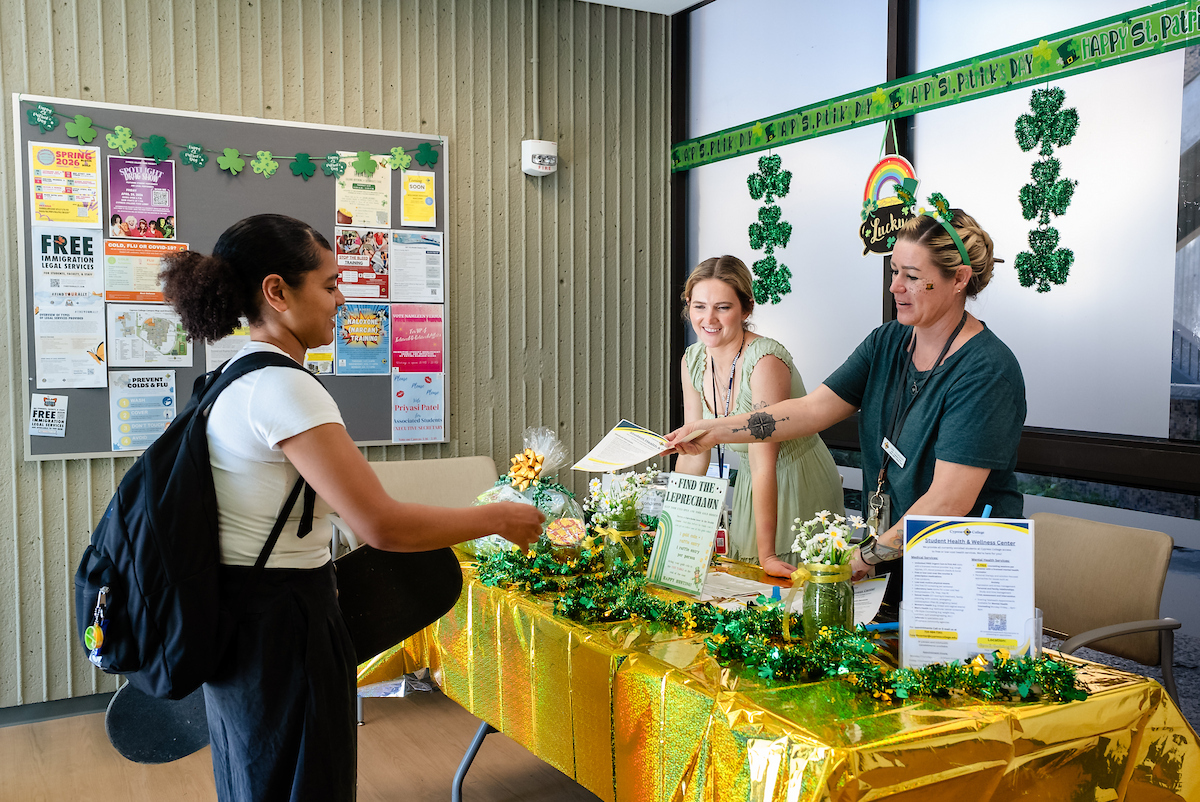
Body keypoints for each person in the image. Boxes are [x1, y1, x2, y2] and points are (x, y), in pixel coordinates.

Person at [159, 214, 544, 801]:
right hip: (282, 625)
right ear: (276, 292)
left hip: (236, 616)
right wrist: (500, 517)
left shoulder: (228, 377)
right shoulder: (286, 388)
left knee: (255, 778)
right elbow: (379, 524)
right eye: (331, 284)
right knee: (307, 783)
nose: (341, 300)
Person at [667, 204, 1025, 601]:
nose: (895, 287)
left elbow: (948, 500)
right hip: (889, 557)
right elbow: (811, 409)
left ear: (958, 279)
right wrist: (712, 430)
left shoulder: (987, 370)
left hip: (959, 571)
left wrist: (864, 557)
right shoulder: (887, 342)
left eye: (912, 276)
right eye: (894, 272)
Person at [676, 256, 844, 578]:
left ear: (746, 309)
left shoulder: (765, 360)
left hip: (795, 480)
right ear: (688, 305)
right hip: (751, 484)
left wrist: (766, 554)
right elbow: (694, 454)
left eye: (722, 307)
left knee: (777, 580)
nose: (708, 318)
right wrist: (672, 525)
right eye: (699, 306)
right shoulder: (692, 360)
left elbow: (763, 460)